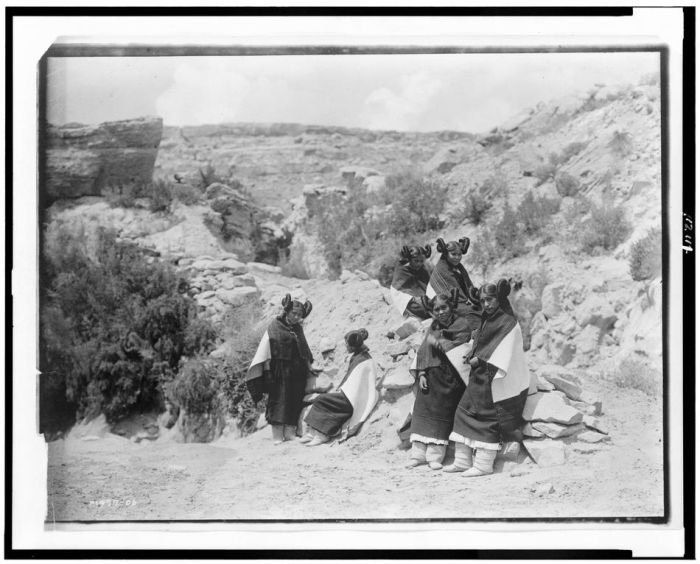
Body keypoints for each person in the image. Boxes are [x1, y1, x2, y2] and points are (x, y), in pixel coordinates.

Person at [446, 279, 530, 477]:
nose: (486, 305)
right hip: (481, 376)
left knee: (486, 417)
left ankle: (483, 465)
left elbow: (504, 351)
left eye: (490, 300)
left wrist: (480, 359)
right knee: (462, 412)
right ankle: (462, 460)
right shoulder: (488, 319)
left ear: (498, 299)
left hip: (496, 379)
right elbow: (482, 342)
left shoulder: (508, 322)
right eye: (483, 301)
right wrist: (472, 354)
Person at [407, 291, 476, 470]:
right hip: (431, 376)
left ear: (451, 307)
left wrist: (440, 343)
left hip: (451, 378)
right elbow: (425, 349)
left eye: (444, 307)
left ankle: (435, 457)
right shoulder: (435, 326)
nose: (440, 312)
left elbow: (461, 345)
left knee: (441, 414)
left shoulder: (462, 324)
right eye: (436, 309)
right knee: (422, 409)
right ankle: (418, 454)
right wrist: (422, 373)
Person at [246, 294, 314, 445]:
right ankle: (277, 436)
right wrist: (267, 371)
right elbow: (265, 350)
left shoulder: (298, 329)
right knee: (278, 401)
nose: (296, 317)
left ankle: (289, 434)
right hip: (279, 371)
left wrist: (308, 365)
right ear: (287, 311)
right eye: (294, 313)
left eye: (299, 315)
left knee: (294, 400)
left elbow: (304, 349)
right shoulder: (275, 326)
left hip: (296, 372)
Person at [300, 328, 379, 446]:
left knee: (322, 399)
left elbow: (359, 387)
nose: (346, 347)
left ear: (353, 346)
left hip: (354, 400)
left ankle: (323, 435)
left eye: (347, 345)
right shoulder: (358, 356)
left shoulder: (364, 360)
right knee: (323, 398)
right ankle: (313, 432)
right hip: (349, 394)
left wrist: (342, 391)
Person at [427, 237, 481, 321]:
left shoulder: (457, 265)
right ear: (445, 254)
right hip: (446, 304)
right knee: (473, 313)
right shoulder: (442, 269)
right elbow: (451, 295)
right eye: (454, 254)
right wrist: (468, 302)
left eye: (459, 254)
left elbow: (468, 284)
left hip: (461, 299)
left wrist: (474, 297)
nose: (457, 257)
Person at [390, 244, 432, 320]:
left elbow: (428, 285)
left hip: (421, 296)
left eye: (421, 261)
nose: (419, 263)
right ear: (410, 260)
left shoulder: (423, 269)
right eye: (416, 261)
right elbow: (401, 262)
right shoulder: (402, 269)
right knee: (421, 307)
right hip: (404, 296)